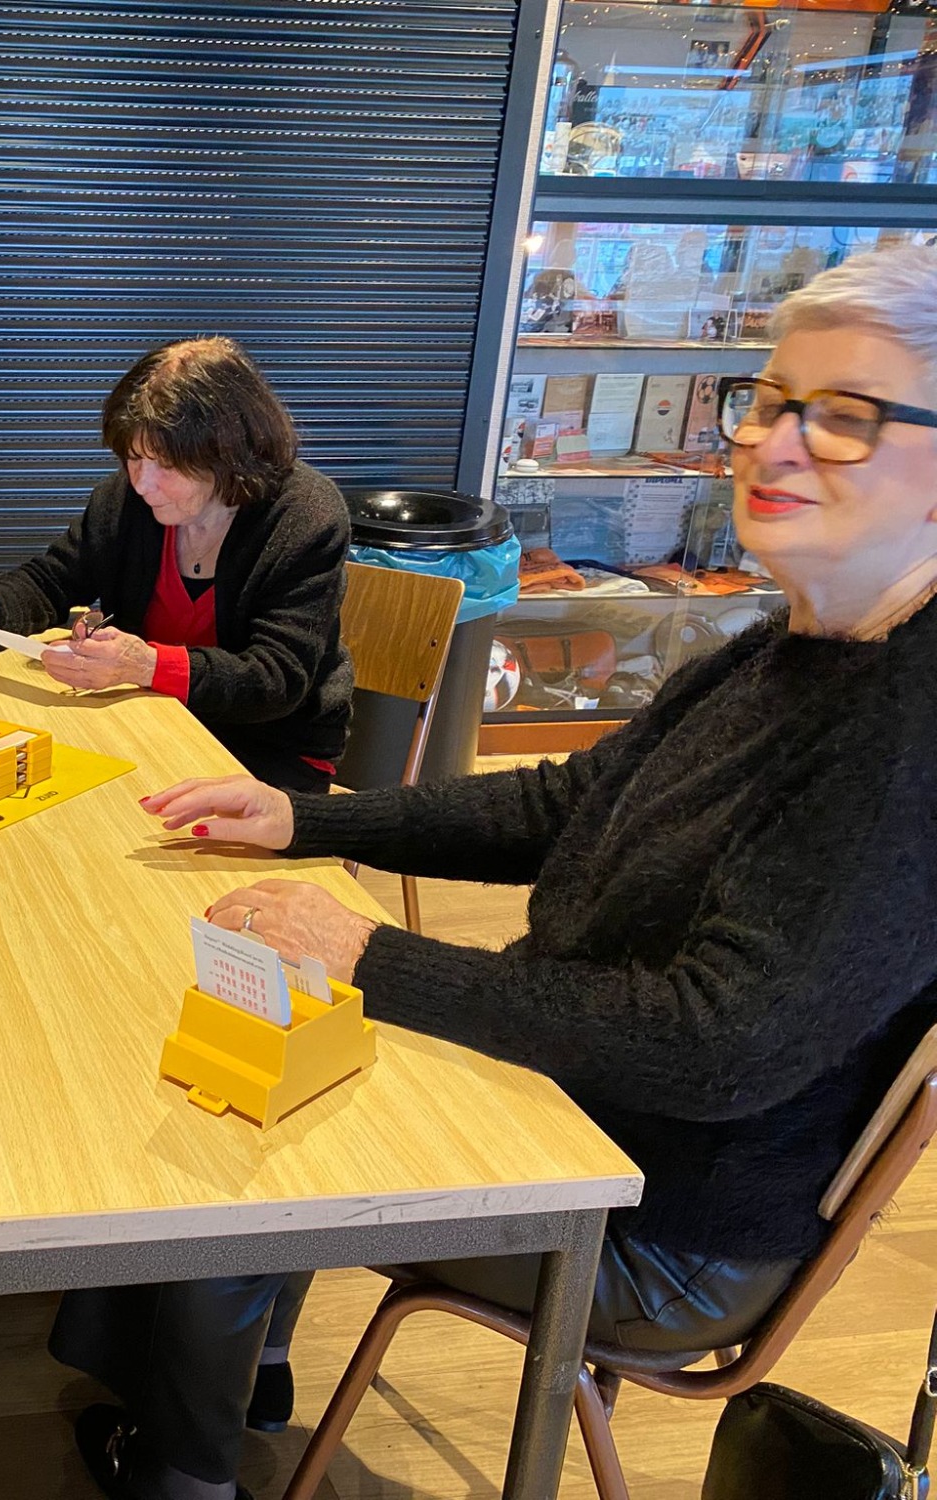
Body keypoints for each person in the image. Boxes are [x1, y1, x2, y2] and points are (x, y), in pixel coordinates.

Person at [68, 243, 937, 1500]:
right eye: (766, 401)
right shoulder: (789, 648)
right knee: (254, 1038)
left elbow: (711, 1046)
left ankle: (182, 1473)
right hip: (588, 1101)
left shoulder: (901, 727)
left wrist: (369, 953)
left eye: (845, 417)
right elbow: (561, 801)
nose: (774, 443)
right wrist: (307, 822)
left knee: (229, 1154)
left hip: (654, 1219)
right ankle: (236, 1385)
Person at [0, 336, 354, 795]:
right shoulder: (124, 501)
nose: (143, 484)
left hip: (267, 749)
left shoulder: (305, 515)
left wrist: (144, 665)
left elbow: (276, 678)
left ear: (229, 453)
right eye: (135, 458)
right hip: (147, 719)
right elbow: (54, 577)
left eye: (167, 464)